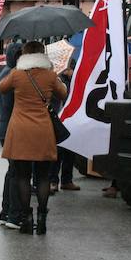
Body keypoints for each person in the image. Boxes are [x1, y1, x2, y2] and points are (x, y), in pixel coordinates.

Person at [0, 41, 67, 235]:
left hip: (20, 130)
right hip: (43, 130)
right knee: (43, 177)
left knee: (22, 176)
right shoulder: (51, 76)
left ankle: (26, 219)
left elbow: (0, 88)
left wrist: (17, 73)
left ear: (24, 56)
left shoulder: (17, 75)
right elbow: (63, 93)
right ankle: (42, 218)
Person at [0, 42, 23, 229]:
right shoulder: (10, 74)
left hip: (7, 127)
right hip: (11, 127)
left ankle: (6, 213)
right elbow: (8, 105)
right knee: (16, 172)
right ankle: (12, 214)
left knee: (13, 171)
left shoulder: (8, 73)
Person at [50, 59, 79, 192]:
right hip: (59, 118)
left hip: (70, 119)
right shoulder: (57, 80)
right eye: (71, 69)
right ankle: (53, 180)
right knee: (58, 152)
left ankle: (67, 180)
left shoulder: (74, 80)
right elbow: (60, 96)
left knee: (70, 151)